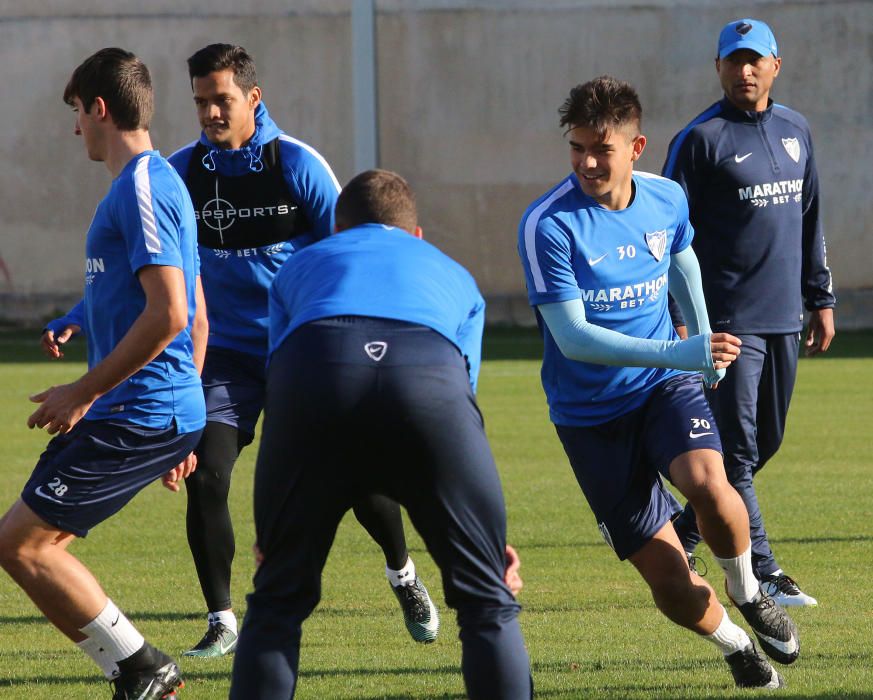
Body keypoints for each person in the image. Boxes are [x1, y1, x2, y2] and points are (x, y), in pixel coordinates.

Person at [50, 42, 437, 656]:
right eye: (201, 101)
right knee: (207, 475)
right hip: (224, 358)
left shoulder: (298, 166)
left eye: (221, 100)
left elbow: (352, 252)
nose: (209, 113)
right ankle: (222, 618)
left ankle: (403, 574)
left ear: (253, 98)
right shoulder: (178, 174)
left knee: (358, 478)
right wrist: (77, 315)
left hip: (300, 351)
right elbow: (146, 269)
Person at [517, 76, 801, 689]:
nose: (588, 161)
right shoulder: (548, 224)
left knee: (709, 481)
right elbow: (575, 339)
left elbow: (683, 263)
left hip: (660, 387)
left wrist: (702, 347)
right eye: (577, 147)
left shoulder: (666, 199)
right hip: (589, 417)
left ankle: (748, 589)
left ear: (636, 146)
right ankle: (733, 646)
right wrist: (684, 350)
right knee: (669, 581)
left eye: (602, 148)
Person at [229, 169, 532, 699]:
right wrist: (486, 536)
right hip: (428, 380)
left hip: (317, 374)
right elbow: (463, 404)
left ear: (338, 230)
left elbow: (280, 386)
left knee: (277, 602)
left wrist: (278, 518)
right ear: (417, 235)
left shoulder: (301, 266)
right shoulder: (453, 272)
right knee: (487, 603)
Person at [0, 48, 204, 700]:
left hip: (136, 410)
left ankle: (141, 668)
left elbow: (173, 311)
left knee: (24, 546)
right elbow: (154, 299)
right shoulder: (140, 187)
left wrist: (81, 391)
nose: (74, 130)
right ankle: (138, 669)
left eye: (76, 114)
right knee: (29, 541)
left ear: (99, 108)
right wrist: (77, 318)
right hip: (145, 410)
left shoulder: (145, 183)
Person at [662, 19, 835, 607]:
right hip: (726, 324)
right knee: (735, 449)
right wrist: (680, 318)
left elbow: (811, 220)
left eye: (754, 60)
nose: (744, 71)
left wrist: (822, 298)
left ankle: (683, 528)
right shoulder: (699, 139)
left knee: (766, 442)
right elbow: (665, 236)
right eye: (733, 61)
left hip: (784, 315)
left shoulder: (797, 130)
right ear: (718, 68)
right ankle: (762, 570)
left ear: (775, 66)